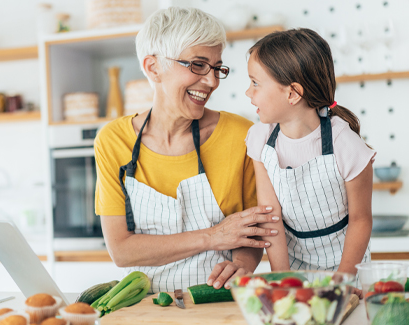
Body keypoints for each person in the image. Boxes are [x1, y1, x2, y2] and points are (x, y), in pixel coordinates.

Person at [94, 7, 280, 293]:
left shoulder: (243, 135)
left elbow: (251, 230)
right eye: (197, 64)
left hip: (217, 301)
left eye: (217, 67)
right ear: (153, 67)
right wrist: (213, 237)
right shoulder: (112, 140)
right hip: (144, 307)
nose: (212, 81)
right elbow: (122, 251)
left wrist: (241, 264)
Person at [244, 28, 374, 284]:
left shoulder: (346, 145)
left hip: (348, 268)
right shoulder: (259, 139)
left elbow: (361, 221)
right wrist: (283, 280)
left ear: (292, 93)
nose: (249, 92)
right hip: (292, 266)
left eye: (255, 83)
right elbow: (272, 217)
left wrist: (343, 281)